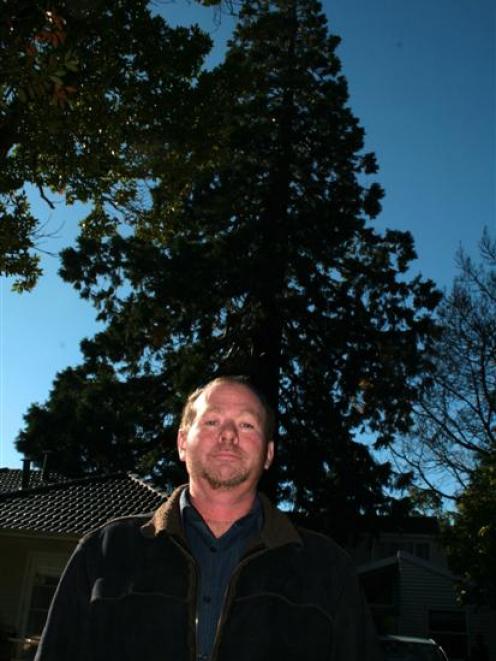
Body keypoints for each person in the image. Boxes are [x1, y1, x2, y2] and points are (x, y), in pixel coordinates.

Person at [35, 375, 383, 661]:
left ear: (269, 454)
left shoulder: (328, 569)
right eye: (213, 420)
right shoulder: (103, 553)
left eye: (247, 425)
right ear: (183, 442)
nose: (228, 434)